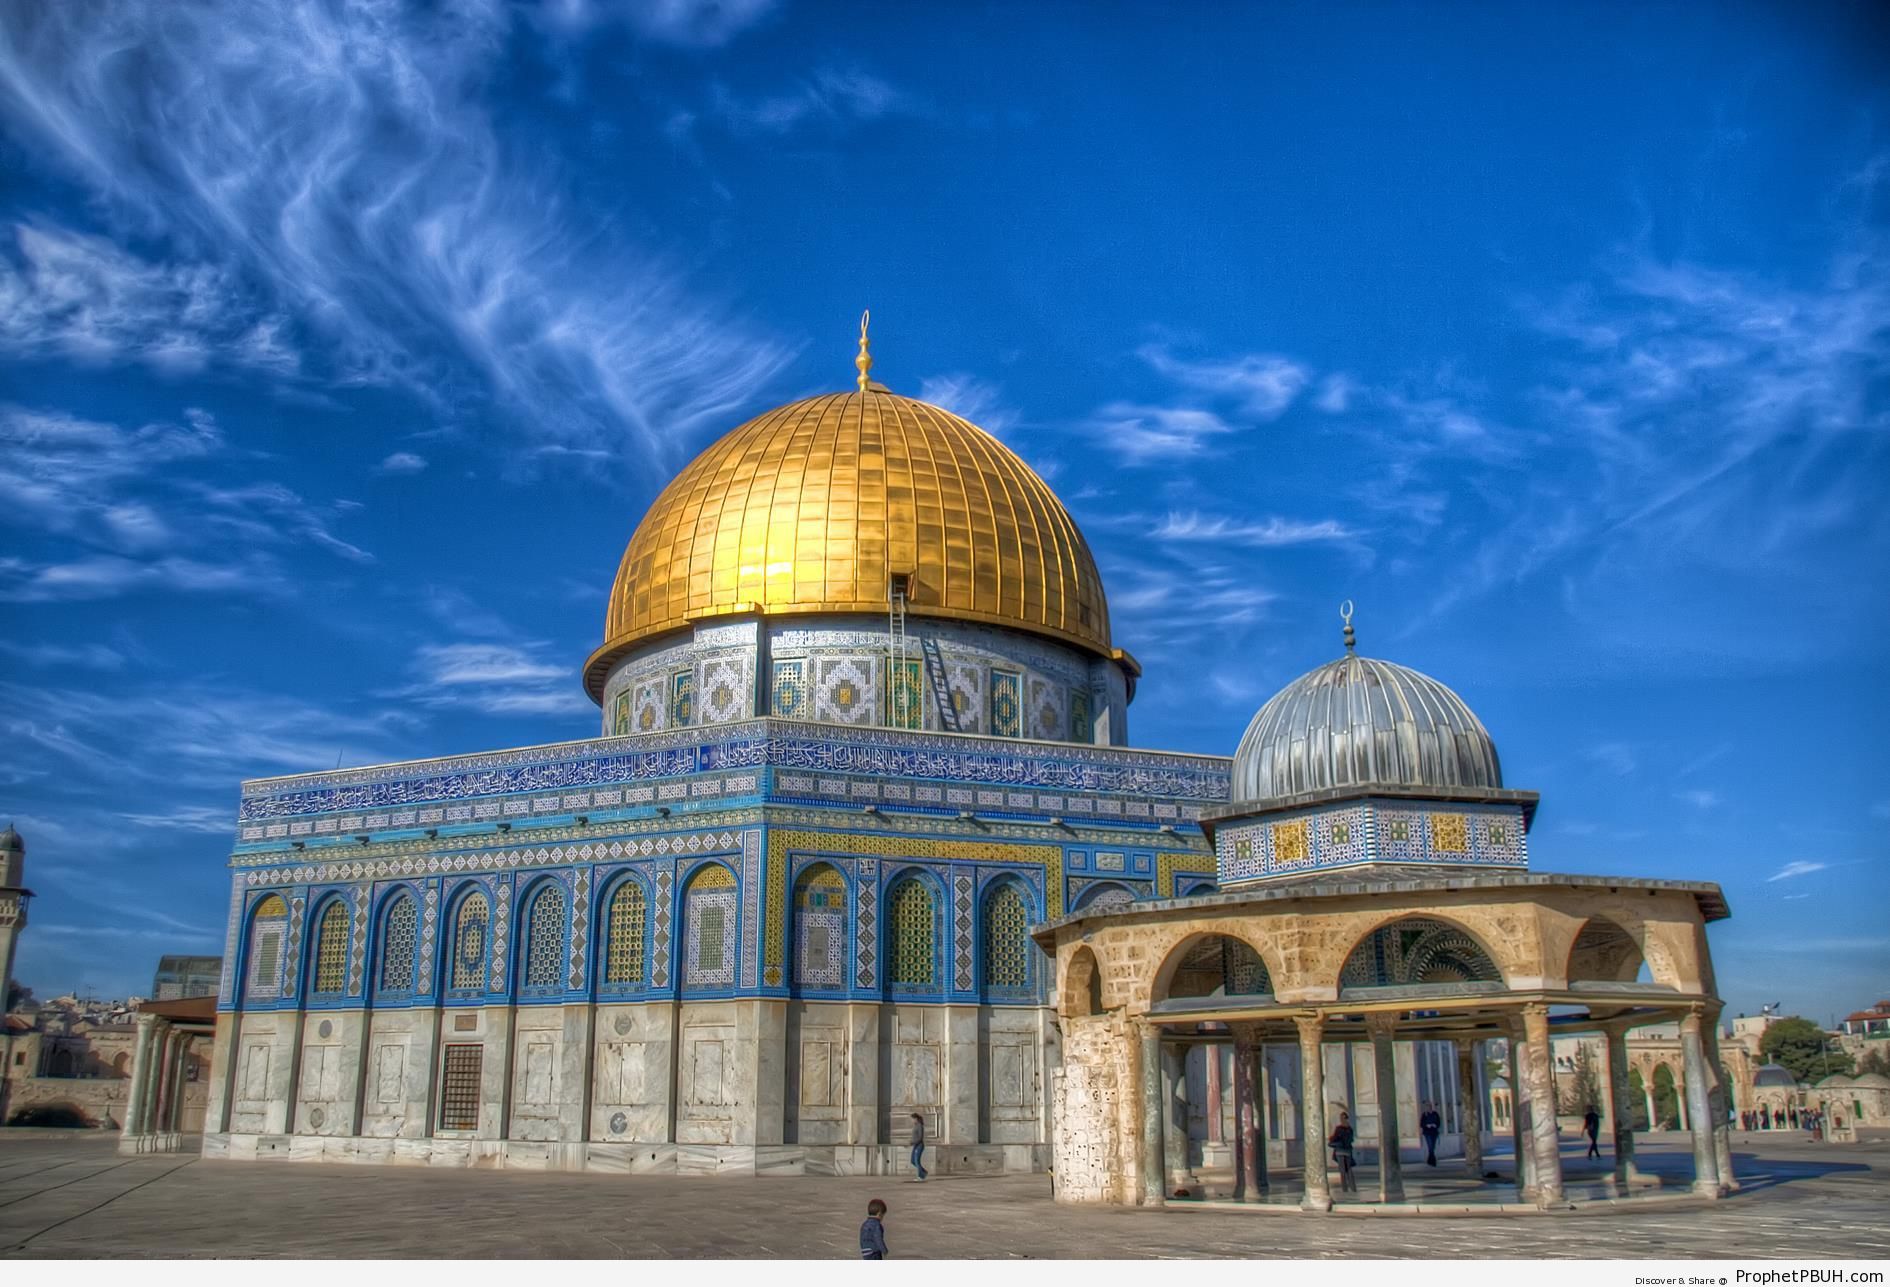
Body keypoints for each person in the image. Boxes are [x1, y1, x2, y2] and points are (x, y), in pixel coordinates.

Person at [1328, 1110, 1358, 1194]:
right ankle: (1353, 1187)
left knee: (1342, 1171)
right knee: (1348, 1169)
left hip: (1340, 1151)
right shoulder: (1350, 1129)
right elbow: (1351, 1140)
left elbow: (1334, 1138)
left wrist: (1331, 1139)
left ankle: (1345, 1189)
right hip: (1348, 1151)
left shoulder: (1339, 1128)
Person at [1419, 1101, 1442, 1166]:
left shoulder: (1435, 1114)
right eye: (1427, 1106)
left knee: (1433, 1147)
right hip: (1427, 1133)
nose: (1428, 1107)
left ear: (1431, 1107)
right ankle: (1433, 1161)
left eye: (1429, 1106)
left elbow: (1439, 1122)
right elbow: (1421, 1124)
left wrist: (1435, 1125)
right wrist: (1426, 1125)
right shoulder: (1424, 1114)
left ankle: (1429, 1160)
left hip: (1434, 1132)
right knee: (1430, 1146)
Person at [909, 1112, 928, 1182]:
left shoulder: (920, 1125)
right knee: (912, 1161)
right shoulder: (915, 1126)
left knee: (917, 1161)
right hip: (915, 1145)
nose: (912, 1121)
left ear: (916, 1119)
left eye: (912, 1119)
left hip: (919, 1146)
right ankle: (924, 1172)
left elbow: (920, 1137)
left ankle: (921, 1176)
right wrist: (911, 1142)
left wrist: (913, 1142)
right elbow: (915, 1136)